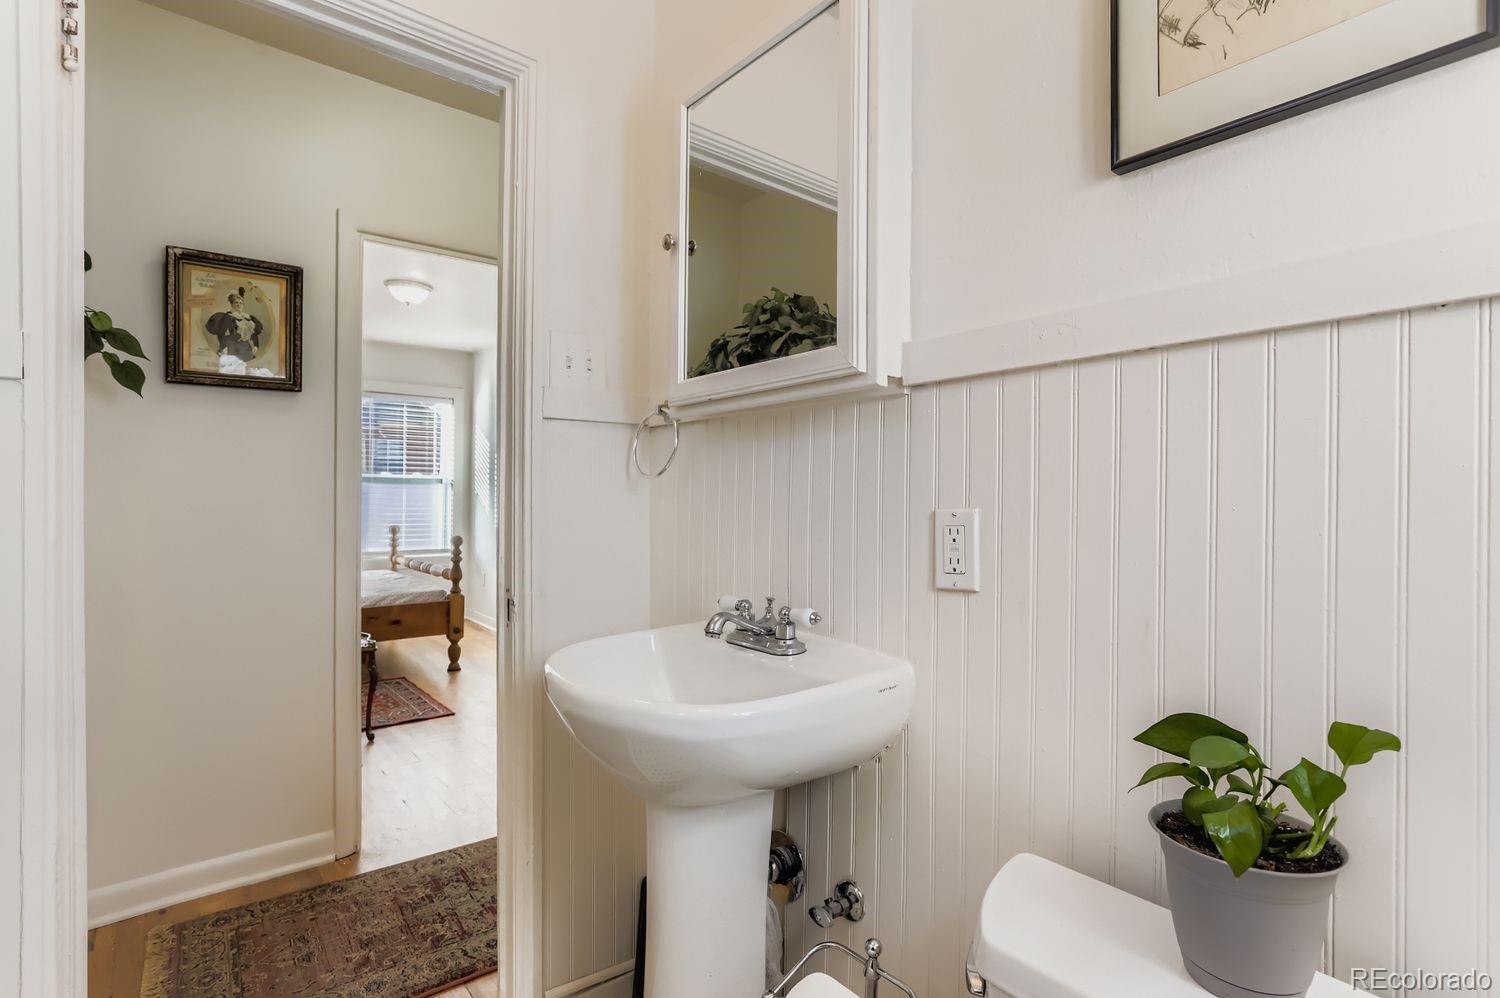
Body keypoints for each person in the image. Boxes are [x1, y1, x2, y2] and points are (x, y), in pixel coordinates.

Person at [203, 287, 264, 361]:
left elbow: (253, 333)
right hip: (232, 347)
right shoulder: (227, 317)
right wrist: (223, 347)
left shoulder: (248, 318)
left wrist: (255, 345)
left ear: (243, 305)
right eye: (236, 302)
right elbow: (221, 333)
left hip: (246, 347)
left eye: (241, 303)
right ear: (232, 304)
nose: (239, 305)